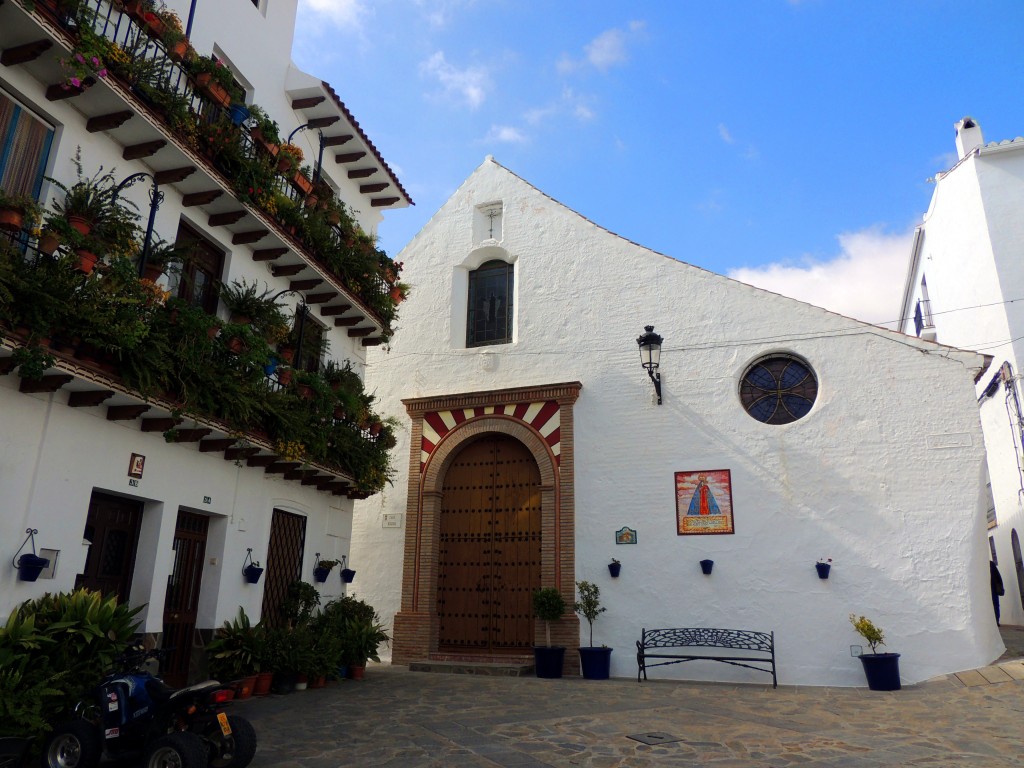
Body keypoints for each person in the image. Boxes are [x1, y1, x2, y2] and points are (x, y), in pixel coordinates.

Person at [991, 560, 1005, 626]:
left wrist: (1000, 587)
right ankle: (996, 620)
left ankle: (996, 620)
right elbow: (998, 577)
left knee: (995, 604)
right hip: (992, 589)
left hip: (993, 589)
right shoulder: (991, 564)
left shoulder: (991, 564)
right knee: (995, 605)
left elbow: (998, 577)